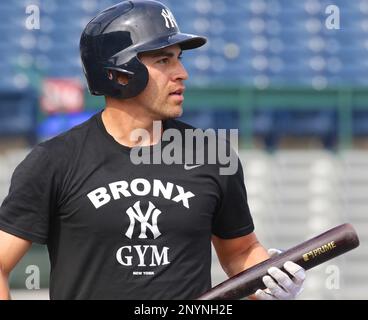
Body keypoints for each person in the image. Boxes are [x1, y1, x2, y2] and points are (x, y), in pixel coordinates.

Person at [0, 0, 305, 300]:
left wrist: (268, 281)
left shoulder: (211, 154)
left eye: (179, 58)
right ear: (120, 73)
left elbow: (240, 251)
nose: (182, 73)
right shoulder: (55, 160)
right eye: (163, 61)